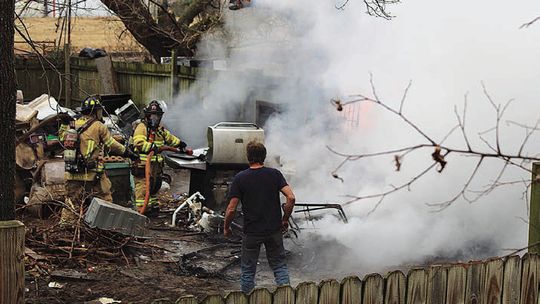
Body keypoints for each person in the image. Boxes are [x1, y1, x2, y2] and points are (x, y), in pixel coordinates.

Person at [224, 141, 296, 294]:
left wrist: (226, 227)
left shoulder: (240, 178)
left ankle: (248, 298)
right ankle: (286, 297)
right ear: (264, 157)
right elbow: (291, 198)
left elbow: (231, 209)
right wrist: (285, 219)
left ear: (248, 157)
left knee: (248, 270)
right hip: (274, 230)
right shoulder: (275, 174)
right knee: (279, 266)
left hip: (252, 232)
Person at [59, 95, 139, 225]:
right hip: (92, 174)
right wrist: (128, 153)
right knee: (104, 199)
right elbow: (112, 144)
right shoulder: (98, 126)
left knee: (72, 203)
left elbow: (62, 139)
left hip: (72, 173)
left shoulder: (72, 124)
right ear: (95, 111)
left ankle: (68, 229)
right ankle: (104, 227)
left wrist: (63, 124)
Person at [131, 100, 187, 214]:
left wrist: (179, 143)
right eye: (153, 116)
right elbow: (139, 143)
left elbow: (169, 138)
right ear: (147, 116)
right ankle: (142, 212)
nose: (155, 119)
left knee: (154, 187)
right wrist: (151, 147)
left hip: (155, 166)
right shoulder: (142, 127)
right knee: (143, 189)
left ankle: (153, 209)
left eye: (157, 116)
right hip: (143, 166)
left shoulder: (159, 130)